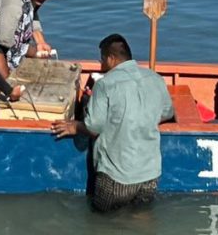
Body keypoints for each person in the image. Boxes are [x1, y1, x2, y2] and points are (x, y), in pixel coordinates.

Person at [51, 34, 174, 212]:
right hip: (150, 174)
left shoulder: (105, 85)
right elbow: (167, 112)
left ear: (111, 58)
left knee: (102, 221)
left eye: (102, 59)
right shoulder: (155, 78)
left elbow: (94, 127)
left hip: (117, 176)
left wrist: (75, 126)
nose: (101, 65)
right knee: (141, 217)